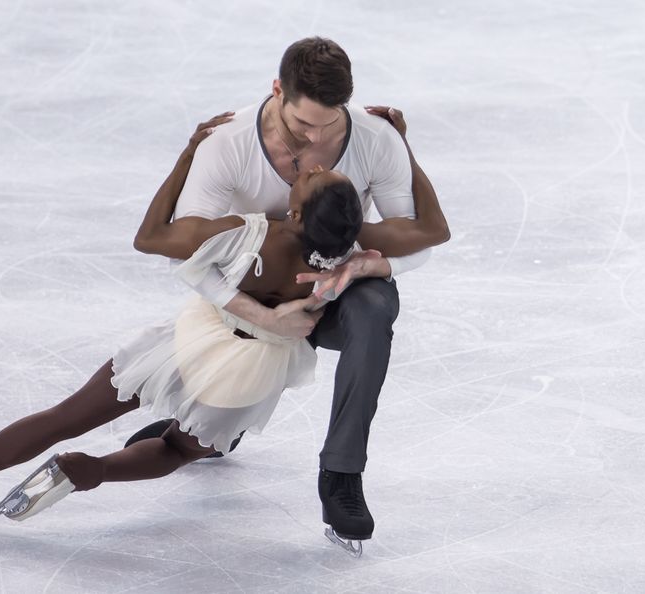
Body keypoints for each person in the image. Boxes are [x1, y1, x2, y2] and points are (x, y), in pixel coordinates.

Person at [0, 106, 446, 556]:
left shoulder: (251, 234)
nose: (313, 167)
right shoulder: (344, 258)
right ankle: (90, 471)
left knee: (65, 415)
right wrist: (402, 147)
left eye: (315, 178)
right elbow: (433, 229)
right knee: (177, 449)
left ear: (295, 215)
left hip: (187, 345)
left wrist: (187, 155)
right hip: (249, 379)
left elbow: (150, 237)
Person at [123, 37, 450, 548]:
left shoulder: (375, 137)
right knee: (246, 328)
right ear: (277, 90)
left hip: (337, 288)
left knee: (373, 309)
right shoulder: (228, 143)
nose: (315, 138)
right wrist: (255, 312)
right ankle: (214, 430)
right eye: (303, 124)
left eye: (328, 123)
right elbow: (181, 252)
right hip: (254, 291)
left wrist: (372, 264)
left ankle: (341, 472)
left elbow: (420, 237)